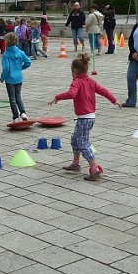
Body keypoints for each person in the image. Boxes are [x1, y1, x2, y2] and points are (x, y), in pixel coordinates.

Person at [49, 53, 120, 181]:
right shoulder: (91, 81)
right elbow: (104, 91)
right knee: (75, 139)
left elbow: (71, 94)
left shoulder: (77, 82)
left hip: (84, 119)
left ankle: (94, 169)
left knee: (83, 144)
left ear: (75, 71)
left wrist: (57, 97)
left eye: (72, 72)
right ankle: (76, 164)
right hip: (89, 117)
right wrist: (114, 101)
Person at [0, 32, 31, 122]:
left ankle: (15, 116)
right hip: (19, 78)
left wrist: (2, 78)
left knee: (12, 99)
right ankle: (23, 113)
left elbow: (6, 68)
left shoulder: (6, 54)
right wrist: (20, 68)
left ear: (7, 42)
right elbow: (28, 62)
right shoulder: (20, 52)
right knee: (18, 97)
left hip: (10, 79)